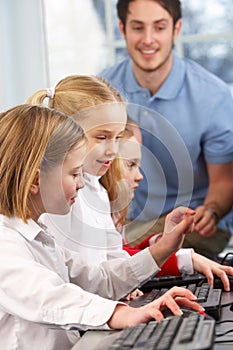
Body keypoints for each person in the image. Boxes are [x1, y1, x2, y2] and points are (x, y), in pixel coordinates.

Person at [0, 103, 206, 349]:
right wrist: (121, 314)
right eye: (75, 174)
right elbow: (46, 297)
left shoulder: (37, 233)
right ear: (36, 180)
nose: (81, 185)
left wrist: (162, 250)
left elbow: (98, 280)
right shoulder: (5, 241)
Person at [27, 75, 233, 291]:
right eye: (102, 137)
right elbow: (65, 284)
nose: (113, 150)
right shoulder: (57, 198)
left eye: (117, 138)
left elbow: (111, 266)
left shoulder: (96, 189)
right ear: (65, 132)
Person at [100, 0, 233, 260]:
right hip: (128, 220)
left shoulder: (213, 96)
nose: (148, 40)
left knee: (113, 260)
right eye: (138, 28)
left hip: (192, 222)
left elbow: (225, 180)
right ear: (122, 29)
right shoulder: (103, 90)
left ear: (176, 29)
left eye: (159, 28)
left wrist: (213, 210)